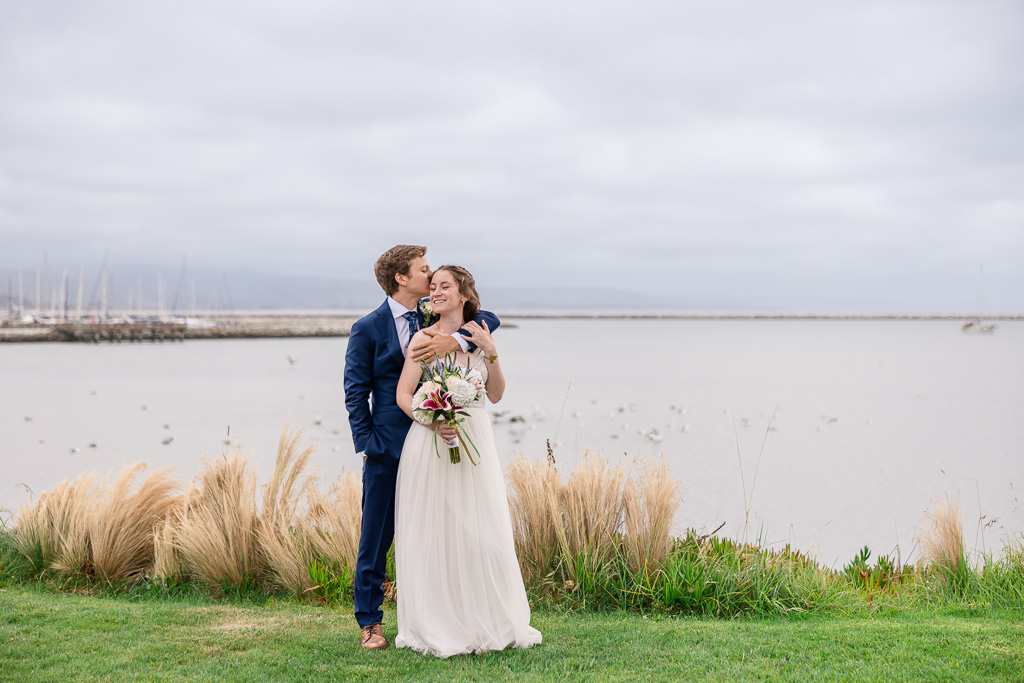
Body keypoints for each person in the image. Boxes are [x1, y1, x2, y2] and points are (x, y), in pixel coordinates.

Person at [344, 245, 499, 650]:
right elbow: (355, 393)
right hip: (388, 447)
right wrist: (368, 444)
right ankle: (370, 622)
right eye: (423, 271)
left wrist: (462, 342)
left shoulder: (432, 316)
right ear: (401, 279)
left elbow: (487, 318)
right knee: (376, 537)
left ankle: (451, 613)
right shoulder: (368, 328)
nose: (429, 278)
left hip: (436, 445)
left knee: (439, 531)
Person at [393, 265, 542, 658]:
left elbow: (495, 395)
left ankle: (485, 619)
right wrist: (431, 420)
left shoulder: (480, 335)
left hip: (475, 440)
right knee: (434, 532)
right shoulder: (423, 338)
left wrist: (492, 354)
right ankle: (437, 621)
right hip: (431, 444)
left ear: (464, 295)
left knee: (482, 532)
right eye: (434, 286)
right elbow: (404, 395)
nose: (437, 292)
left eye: (446, 287)